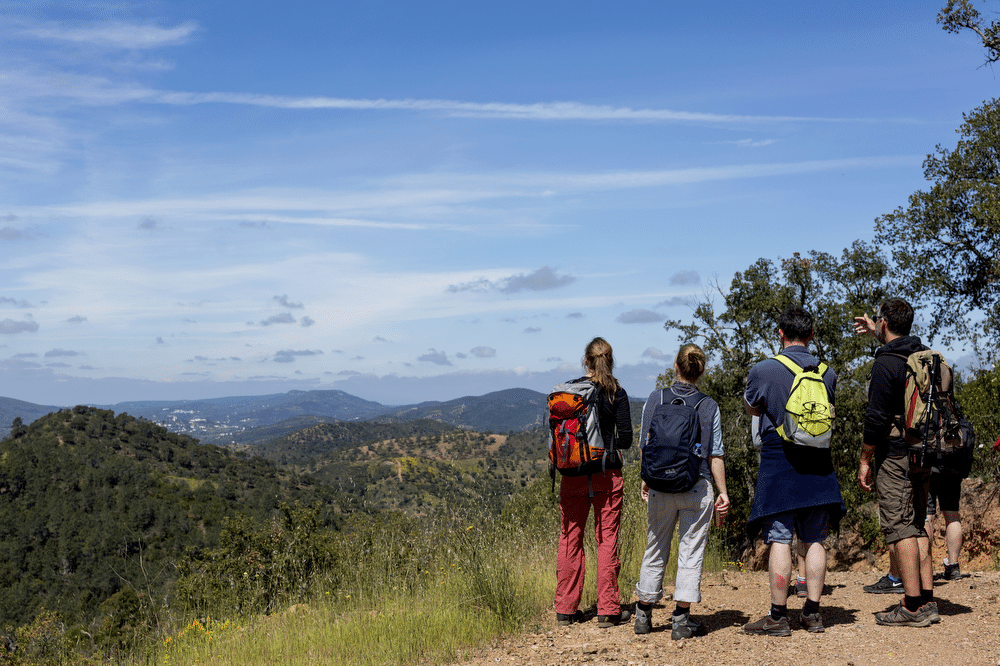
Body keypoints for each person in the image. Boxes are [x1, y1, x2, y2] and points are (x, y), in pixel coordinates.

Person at [742, 306, 844, 636]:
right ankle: (813, 614)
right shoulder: (827, 372)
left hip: (779, 463)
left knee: (781, 540)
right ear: (811, 335)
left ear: (781, 334)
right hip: (818, 465)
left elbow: (752, 406)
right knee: (815, 540)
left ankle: (777, 617)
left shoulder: (763, 369)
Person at [633, 344, 730, 639]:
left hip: (660, 485)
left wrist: (647, 478)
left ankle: (643, 615)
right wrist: (723, 492)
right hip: (695, 486)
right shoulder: (708, 405)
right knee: (690, 551)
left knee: (655, 546)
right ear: (701, 372)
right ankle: (680, 620)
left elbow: (644, 444)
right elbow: (715, 455)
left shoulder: (656, 398)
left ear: (675, 366)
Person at [855, 298, 937, 627]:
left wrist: (864, 459)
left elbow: (876, 419)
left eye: (878, 321)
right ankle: (927, 600)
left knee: (900, 527)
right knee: (918, 522)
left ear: (885, 323)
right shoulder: (923, 355)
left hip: (896, 453)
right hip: (925, 451)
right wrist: (881, 331)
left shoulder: (886, 362)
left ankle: (912, 607)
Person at [554, 337, 634, 628]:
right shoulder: (616, 392)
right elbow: (625, 439)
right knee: (606, 539)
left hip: (572, 474)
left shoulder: (569, 392)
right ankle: (608, 610)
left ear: (585, 361)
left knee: (569, 538)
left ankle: (565, 609)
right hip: (606, 474)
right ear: (609, 360)